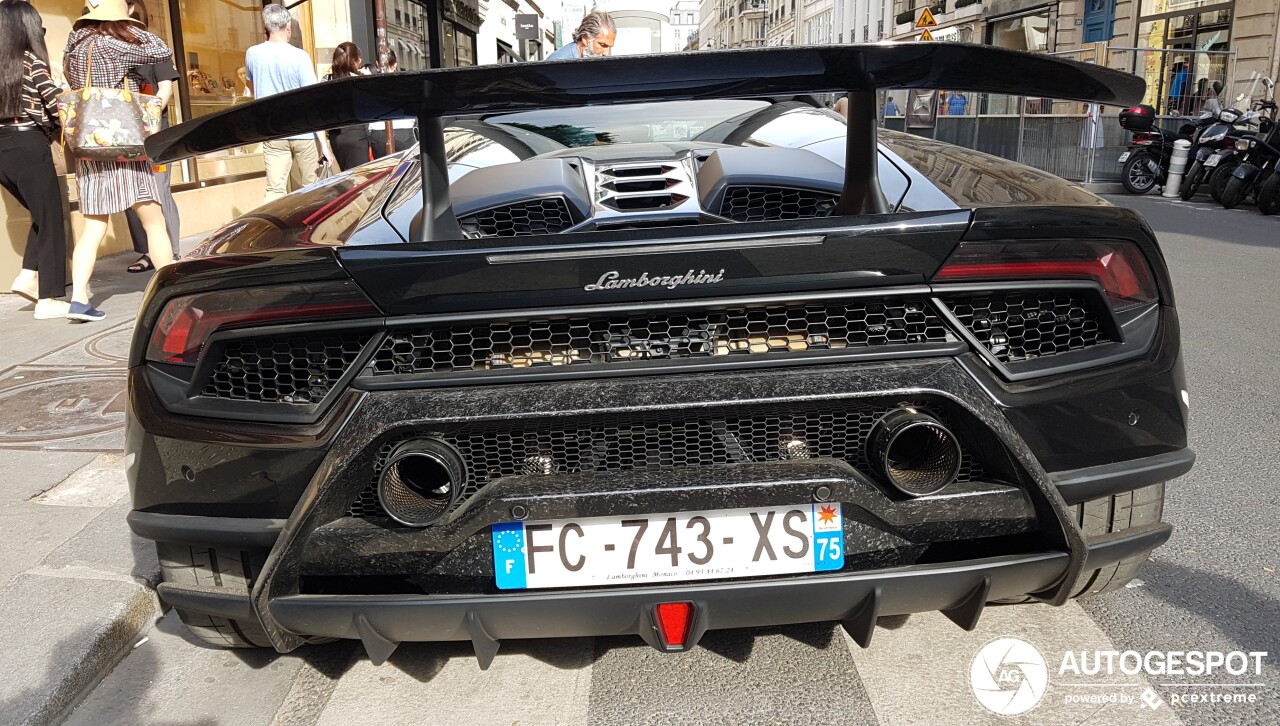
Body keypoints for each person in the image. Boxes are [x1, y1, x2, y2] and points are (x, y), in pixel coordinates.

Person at [62, 0, 176, 321]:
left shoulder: (73, 48)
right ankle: (170, 293)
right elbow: (160, 49)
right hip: (121, 141)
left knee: (93, 227)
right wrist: (132, 26)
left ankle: (80, 298)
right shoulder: (116, 44)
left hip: (89, 146)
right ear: (118, 15)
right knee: (154, 221)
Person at [0, 0, 68, 319]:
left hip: (2, 151)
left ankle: (28, 274)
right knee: (51, 215)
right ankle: (50, 298)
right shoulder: (30, 62)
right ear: (28, 29)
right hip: (28, 143)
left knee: (41, 212)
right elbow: (57, 108)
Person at [244, 3, 336, 202]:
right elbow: (312, 100)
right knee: (312, 189)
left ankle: (272, 231)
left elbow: (251, 86)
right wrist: (324, 144)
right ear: (288, 27)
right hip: (303, 131)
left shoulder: (253, 54)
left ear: (266, 27)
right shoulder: (300, 57)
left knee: (275, 190)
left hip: (272, 131)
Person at [122, 0, 180, 273]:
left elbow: (166, 88)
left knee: (158, 189)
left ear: (131, 9)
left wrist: (149, 118)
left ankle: (173, 251)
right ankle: (147, 251)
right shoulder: (111, 50)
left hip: (155, 129)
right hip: (122, 130)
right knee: (131, 191)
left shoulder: (152, 45)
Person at [324, 42, 372, 170]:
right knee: (359, 179)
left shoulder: (327, 80)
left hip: (336, 136)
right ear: (354, 61)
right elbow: (369, 107)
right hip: (357, 134)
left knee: (346, 175)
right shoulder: (359, 80)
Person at [546, 11, 615, 60]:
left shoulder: (585, 59)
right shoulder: (560, 63)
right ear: (585, 39)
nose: (606, 53)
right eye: (602, 45)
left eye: (609, 47)